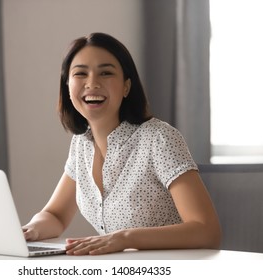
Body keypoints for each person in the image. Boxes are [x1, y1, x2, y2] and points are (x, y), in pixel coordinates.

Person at [22, 32, 221, 255]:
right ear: (68, 86)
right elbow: (55, 215)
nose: (92, 83)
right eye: (80, 74)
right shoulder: (81, 144)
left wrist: (126, 238)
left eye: (106, 73)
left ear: (126, 86)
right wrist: (30, 230)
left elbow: (207, 231)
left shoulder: (159, 138)